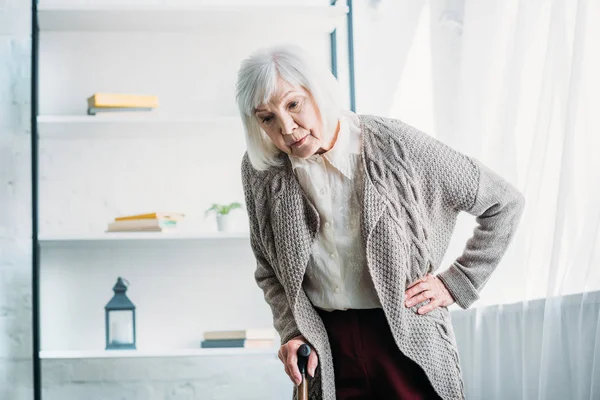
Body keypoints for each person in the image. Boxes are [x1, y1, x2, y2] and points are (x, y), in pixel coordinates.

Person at [236, 44, 525, 400]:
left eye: (294, 104)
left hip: (406, 341)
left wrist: (459, 282)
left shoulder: (395, 143)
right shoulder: (261, 172)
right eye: (267, 118)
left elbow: (504, 202)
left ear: (320, 92)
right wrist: (291, 330)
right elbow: (268, 268)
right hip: (326, 350)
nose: (287, 127)